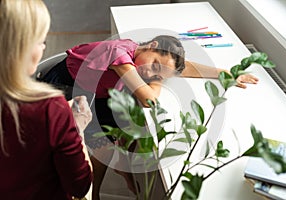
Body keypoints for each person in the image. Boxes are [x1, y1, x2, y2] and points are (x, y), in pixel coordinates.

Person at [39, 35, 258, 199]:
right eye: (154, 66)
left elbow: (183, 67)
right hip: (65, 87)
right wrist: (158, 80)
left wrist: (225, 73)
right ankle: (91, 193)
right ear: (152, 46)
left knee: (126, 127)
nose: (151, 74)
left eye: (157, 74)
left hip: (97, 91)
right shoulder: (121, 55)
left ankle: (121, 167)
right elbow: (149, 100)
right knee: (106, 136)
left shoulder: (141, 52)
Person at [0, 1, 93, 200]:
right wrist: (77, 129)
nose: (43, 47)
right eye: (40, 40)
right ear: (20, 47)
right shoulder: (50, 109)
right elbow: (80, 186)